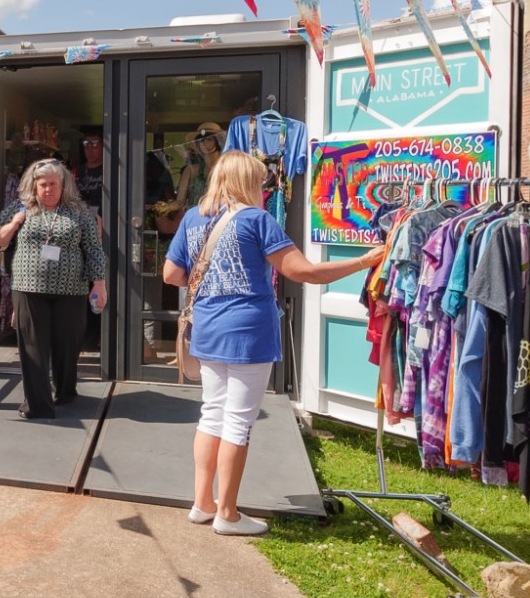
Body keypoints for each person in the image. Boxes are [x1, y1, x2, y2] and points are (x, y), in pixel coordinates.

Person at [162, 151, 384, 535]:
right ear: (247, 181)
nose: (264, 188)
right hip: (249, 330)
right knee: (238, 422)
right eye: (260, 181)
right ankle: (227, 514)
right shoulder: (257, 219)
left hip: (208, 328)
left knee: (211, 414)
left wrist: (212, 285)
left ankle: (203, 503)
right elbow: (305, 272)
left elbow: (171, 274)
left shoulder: (193, 218)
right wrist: (364, 261)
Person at [0, 159, 106, 420]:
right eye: (42, 185)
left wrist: (99, 282)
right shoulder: (21, 208)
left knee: (67, 344)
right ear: (34, 186)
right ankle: (38, 404)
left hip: (71, 289)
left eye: (53, 184)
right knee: (32, 346)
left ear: (63, 185)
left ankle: (65, 391)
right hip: (28, 287)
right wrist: (14, 224)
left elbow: (93, 249)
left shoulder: (80, 212)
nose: (48, 189)